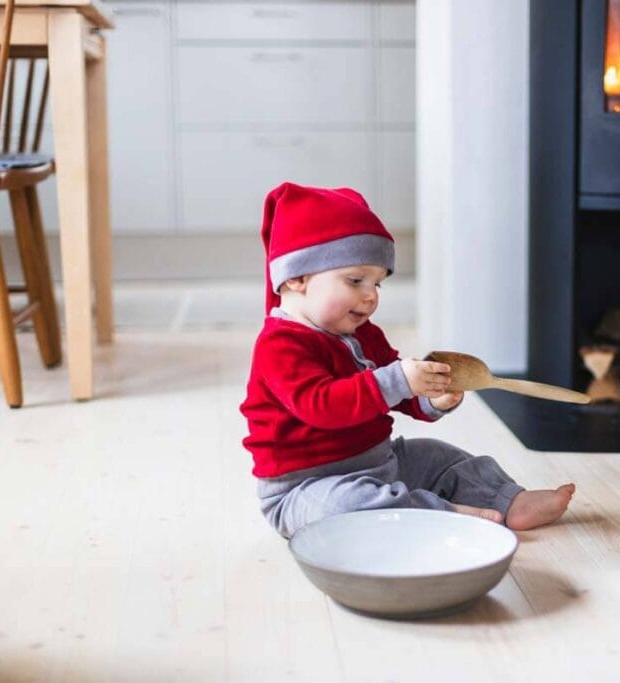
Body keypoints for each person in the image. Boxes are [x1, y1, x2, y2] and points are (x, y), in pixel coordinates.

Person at [240, 182, 575, 538]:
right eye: (355, 280)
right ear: (297, 278)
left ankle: (506, 500)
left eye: (378, 284)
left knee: (440, 456)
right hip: (306, 488)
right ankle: (441, 515)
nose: (370, 297)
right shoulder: (280, 345)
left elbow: (397, 390)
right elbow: (321, 406)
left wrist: (429, 397)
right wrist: (399, 379)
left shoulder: (364, 333)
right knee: (348, 507)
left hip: (380, 463)